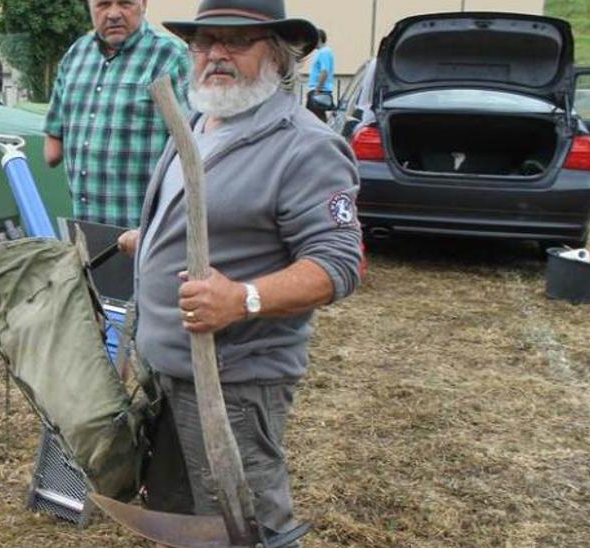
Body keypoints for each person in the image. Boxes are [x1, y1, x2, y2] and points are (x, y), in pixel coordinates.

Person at [116, 0, 363, 538]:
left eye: (237, 42)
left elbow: (339, 264)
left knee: (243, 520)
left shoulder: (306, 147)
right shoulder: (201, 121)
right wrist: (153, 238)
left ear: (277, 55)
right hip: (167, 370)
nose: (216, 55)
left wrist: (242, 299)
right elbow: (214, 218)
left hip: (233, 383)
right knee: (180, 512)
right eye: (204, 43)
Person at [44, 0, 192, 228]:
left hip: (146, 236)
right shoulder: (76, 55)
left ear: (143, 4)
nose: (113, 14)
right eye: (103, 4)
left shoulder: (170, 56)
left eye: (125, 3)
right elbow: (52, 148)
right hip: (86, 231)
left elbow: (195, 152)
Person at [306, 29, 335, 122]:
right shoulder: (322, 52)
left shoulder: (324, 52)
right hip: (318, 90)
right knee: (317, 118)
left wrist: (317, 89)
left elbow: (324, 71)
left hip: (320, 90)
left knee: (315, 120)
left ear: (318, 38)